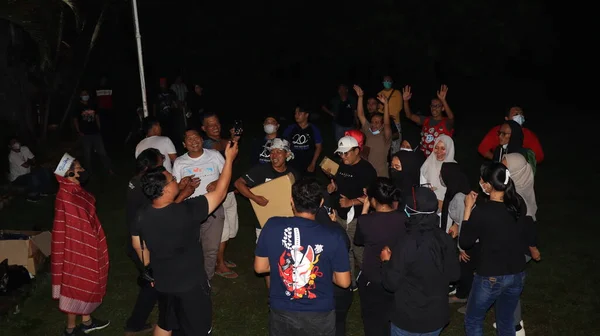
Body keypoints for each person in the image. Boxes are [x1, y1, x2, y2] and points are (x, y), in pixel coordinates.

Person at [131, 141, 238, 336]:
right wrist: (229, 159)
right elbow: (220, 192)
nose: (176, 182)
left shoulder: (142, 214)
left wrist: (149, 270)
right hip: (191, 286)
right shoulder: (186, 211)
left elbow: (137, 244)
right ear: (164, 189)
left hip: (163, 282)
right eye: (173, 180)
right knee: (197, 329)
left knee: (165, 323)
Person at [254, 178, 351, 336]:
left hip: (282, 309)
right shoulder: (334, 235)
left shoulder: (272, 225)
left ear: (291, 201)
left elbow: (260, 267)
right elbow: (344, 281)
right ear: (320, 203)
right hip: (319, 313)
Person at [124, 148, 199, 335]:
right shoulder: (144, 190)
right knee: (156, 287)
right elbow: (165, 211)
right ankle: (140, 324)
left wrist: (177, 187)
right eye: (161, 164)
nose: (163, 168)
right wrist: (184, 194)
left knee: (153, 286)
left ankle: (137, 323)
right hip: (146, 245)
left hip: (141, 239)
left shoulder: (137, 182)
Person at [460, 162, 539, 336]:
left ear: (488, 184)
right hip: (516, 273)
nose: (479, 182)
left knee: (473, 320)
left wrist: (467, 209)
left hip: (491, 275)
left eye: (481, 180)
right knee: (506, 320)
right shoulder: (518, 204)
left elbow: (465, 242)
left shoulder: (482, 212)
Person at [381, 186, 460, 336]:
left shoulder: (405, 243)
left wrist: (386, 262)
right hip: (435, 318)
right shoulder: (445, 239)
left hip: (408, 320)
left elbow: (391, 283)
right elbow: (454, 275)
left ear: (412, 212)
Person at [51, 153, 110, 336]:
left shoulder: (74, 189)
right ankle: (70, 329)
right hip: (75, 247)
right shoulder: (66, 195)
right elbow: (76, 226)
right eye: (78, 168)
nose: (82, 170)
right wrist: (87, 246)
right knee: (75, 284)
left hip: (85, 242)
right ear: (69, 173)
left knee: (86, 282)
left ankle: (87, 322)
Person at [234, 138, 300, 289]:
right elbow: (238, 183)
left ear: (287, 154)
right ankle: (272, 293)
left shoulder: (293, 174)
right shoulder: (260, 170)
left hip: (288, 223)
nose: (274, 155)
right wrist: (255, 197)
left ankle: (289, 286)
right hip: (264, 224)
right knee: (268, 260)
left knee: (289, 257)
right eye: (272, 152)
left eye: (279, 152)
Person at [172, 129, 233, 280]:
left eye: (196, 137)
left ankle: (206, 281)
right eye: (189, 139)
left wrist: (217, 182)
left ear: (201, 139)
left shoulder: (214, 155)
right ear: (184, 144)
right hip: (189, 210)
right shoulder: (179, 162)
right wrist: (183, 185)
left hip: (213, 208)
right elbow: (174, 189)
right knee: (191, 247)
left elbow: (228, 175)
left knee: (211, 249)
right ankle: (190, 278)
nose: (194, 141)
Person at [354, 177, 406, 335]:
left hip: (373, 278)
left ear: (373, 200)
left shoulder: (366, 221)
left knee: (373, 322)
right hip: (397, 274)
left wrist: (364, 209)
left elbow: (358, 241)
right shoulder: (404, 219)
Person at [326, 135, 378, 289]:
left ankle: (371, 280)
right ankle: (350, 283)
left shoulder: (367, 170)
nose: (343, 157)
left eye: (346, 153)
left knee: (359, 252)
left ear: (357, 150)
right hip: (340, 214)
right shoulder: (342, 166)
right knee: (344, 248)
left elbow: (372, 196)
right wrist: (333, 188)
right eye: (340, 154)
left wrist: (351, 202)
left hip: (356, 217)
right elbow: (340, 184)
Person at [402, 85, 455, 157]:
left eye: (437, 106)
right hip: (424, 158)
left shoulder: (446, 122)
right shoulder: (425, 120)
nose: (434, 108)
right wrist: (405, 101)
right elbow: (409, 115)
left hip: (440, 159)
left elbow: (451, 117)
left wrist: (443, 100)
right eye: (432, 106)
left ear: (443, 108)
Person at [477, 106, 544, 163]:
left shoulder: (528, 135)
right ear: (507, 118)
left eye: (521, 114)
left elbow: (539, 157)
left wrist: (521, 163)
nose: (519, 116)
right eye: (516, 114)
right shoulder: (497, 130)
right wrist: (498, 161)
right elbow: (483, 148)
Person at [354, 85, 393, 177]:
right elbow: (361, 115)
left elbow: (387, 124)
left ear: (382, 125)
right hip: (367, 172)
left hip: (381, 174)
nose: (373, 124)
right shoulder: (368, 131)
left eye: (377, 122)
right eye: (372, 122)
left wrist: (386, 104)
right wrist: (360, 97)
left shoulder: (385, 136)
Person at [72, 89, 113, 175]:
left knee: (102, 152)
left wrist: (99, 128)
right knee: (87, 155)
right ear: (80, 96)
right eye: (83, 94)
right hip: (85, 134)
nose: (85, 95)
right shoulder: (77, 107)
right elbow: (75, 119)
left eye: (86, 94)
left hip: (95, 133)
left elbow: (97, 117)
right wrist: (78, 131)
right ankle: (89, 173)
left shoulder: (93, 104)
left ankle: (109, 169)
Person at [7, 136, 53, 202]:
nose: (15, 143)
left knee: (44, 170)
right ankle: (32, 196)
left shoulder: (24, 148)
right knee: (32, 176)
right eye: (13, 143)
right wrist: (29, 161)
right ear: (10, 146)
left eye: (16, 141)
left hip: (27, 174)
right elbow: (26, 165)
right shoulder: (12, 155)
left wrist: (29, 162)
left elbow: (33, 160)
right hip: (17, 178)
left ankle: (45, 191)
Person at [283, 105, 323, 176]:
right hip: (292, 163)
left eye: (299, 113)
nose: (296, 115)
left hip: (308, 162)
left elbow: (319, 147)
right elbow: (284, 144)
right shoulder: (290, 128)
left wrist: (313, 163)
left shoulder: (314, 129)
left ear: (306, 115)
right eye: (295, 113)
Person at [377, 75, 404, 153]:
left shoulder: (397, 93)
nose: (387, 83)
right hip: (384, 124)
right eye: (385, 81)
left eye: (388, 81)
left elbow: (399, 107)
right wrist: (387, 116)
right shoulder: (380, 93)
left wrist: (389, 116)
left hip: (395, 123)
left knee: (395, 144)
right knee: (384, 144)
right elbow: (379, 109)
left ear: (392, 82)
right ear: (382, 83)